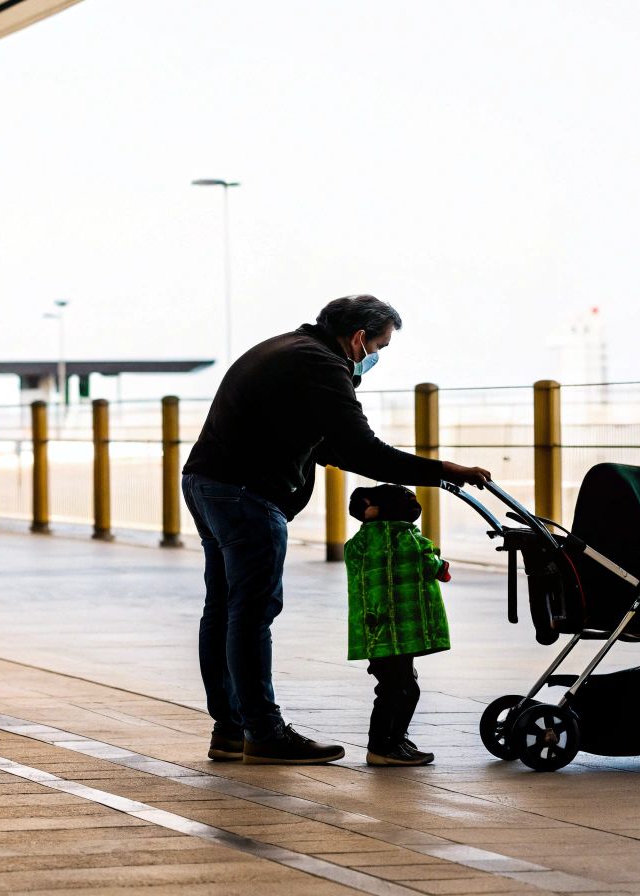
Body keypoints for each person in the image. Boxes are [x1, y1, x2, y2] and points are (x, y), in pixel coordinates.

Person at [183, 295, 491, 765]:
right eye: (379, 345)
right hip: (245, 494)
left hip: (208, 484)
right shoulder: (321, 364)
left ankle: (230, 730)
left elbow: (332, 446)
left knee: (225, 609)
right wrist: (443, 470)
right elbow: (364, 449)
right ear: (359, 338)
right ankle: (263, 734)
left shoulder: (289, 350)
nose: (377, 356)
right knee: (250, 612)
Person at [345, 484, 450, 766]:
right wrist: (441, 564)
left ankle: (393, 740)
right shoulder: (409, 539)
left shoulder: (357, 544)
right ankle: (383, 746)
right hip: (400, 632)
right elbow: (434, 567)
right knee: (403, 689)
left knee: (392, 685)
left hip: (374, 632)